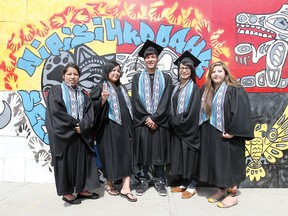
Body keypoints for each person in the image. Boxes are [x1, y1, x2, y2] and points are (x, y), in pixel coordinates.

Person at [199, 61, 254, 208]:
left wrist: (233, 131)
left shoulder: (235, 89)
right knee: (217, 163)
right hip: (211, 133)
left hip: (228, 134)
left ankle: (232, 194)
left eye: (219, 71)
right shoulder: (207, 90)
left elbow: (242, 113)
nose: (216, 74)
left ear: (225, 73)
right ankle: (220, 190)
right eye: (213, 72)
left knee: (228, 164)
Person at [45, 63, 100, 205]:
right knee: (66, 164)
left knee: (81, 163)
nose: (72, 77)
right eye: (69, 74)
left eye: (75, 74)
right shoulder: (56, 90)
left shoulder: (83, 93)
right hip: (64, 134)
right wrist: (76, 124)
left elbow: (89, 113)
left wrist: (83, 126)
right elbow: (56, 112)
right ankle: (67, 193)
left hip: (80, 134)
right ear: (63, 76)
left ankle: (82, 189)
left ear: (79, 77)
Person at [90, 61, 137, 202]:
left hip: (125, 127)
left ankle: (126, 187)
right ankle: (109, 184)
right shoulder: (100, 87)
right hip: (108, 129)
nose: (116, 73)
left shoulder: (121, 87)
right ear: (107, 71)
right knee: (109, 156)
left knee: (127, 155)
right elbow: (92, 109)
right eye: (113, 70)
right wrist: (103, 100)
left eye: (118, 71)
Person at [132, 40, 172, 197]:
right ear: (144, 59)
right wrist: (146, 118)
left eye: (153, 56)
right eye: (147, 57)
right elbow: (135, 100)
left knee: (159, 154)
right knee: (143, 153)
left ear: (157, 59)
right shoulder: (136, 78)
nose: (150, 59)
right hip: (142, 123)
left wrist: (155, 118)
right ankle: (143, 180)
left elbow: (166, 100)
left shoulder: (166, 78)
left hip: (159, 123)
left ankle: (159, 181)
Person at [169, 51, 201, 199]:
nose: (184, 70)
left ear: (192, 70)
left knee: (190, 158)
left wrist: (176, 121)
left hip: (189, 131)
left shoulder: (194, 89)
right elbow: (171, 107)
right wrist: (173, 119)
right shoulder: (176, 87)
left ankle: (193, 185)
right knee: (181, 158)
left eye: (187, 68)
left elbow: (194, 112)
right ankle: (183, 183)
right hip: (177, 129)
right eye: (182, 68)